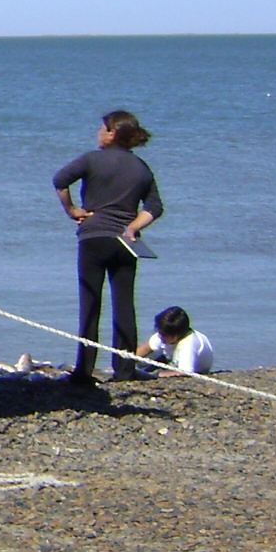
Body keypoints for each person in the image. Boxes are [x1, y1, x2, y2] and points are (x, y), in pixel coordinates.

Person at [53, 110, 163, 384]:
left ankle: (84, 370)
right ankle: (124, 370)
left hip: (93, 237)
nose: (98, 132)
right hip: (124, 241)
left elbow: (60, 180)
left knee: (91, 303)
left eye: (102, 128)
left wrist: (72, 210)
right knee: (124, 304)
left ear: (112, 132)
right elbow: (155, 208)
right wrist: (133, 227)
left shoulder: (92, 159)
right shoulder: (141, 167)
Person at [140, 306, 214, 374]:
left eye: (163, 334)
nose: (159, 336)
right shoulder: (165, 333)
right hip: (169, 358)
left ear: (175, 336)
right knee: (141, 365)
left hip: (195, 368)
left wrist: (157, 374)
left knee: (148, 374)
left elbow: (185, 372)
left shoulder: (188, 345)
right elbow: (145, 348)